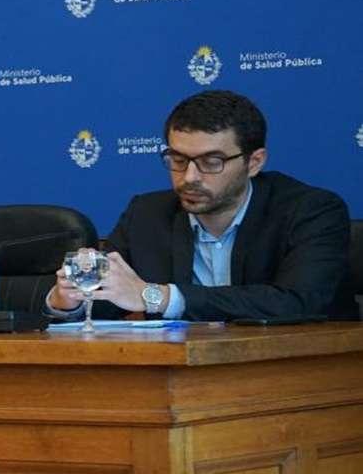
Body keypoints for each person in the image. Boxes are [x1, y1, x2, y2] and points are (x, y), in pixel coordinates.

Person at [47, 90, 357, 321]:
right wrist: (70, 301)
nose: (189, 178)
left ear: (254, 162)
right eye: (178, 160)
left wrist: (158, 297)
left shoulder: (311, 211)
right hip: (186, 374)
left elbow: (296, 302)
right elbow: (111, 299)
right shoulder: (147, 214)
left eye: (211, 162)